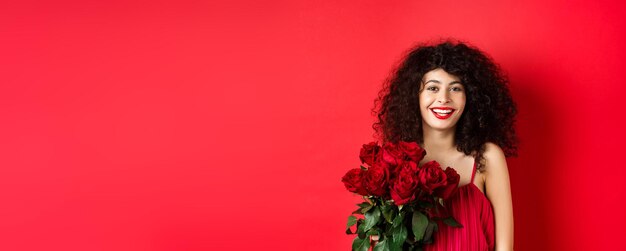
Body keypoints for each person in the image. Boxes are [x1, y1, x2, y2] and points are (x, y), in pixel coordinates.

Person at [370, 40, 517, 250]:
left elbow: (505, 248)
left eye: (455, 88)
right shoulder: (396, 161)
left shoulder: (488, 157)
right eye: (432, 88)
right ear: (415, 96)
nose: (444, 99)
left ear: (470, 97)